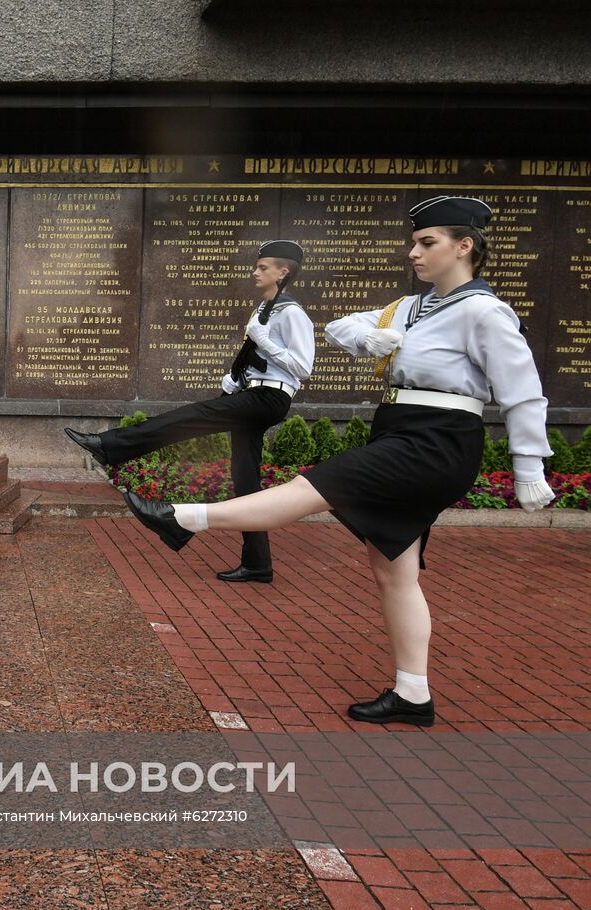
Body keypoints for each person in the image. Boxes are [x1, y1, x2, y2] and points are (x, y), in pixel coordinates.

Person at [125, 196, 555, 727]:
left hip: (438, 439)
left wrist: (529, 467)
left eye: (427, 243)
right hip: (398, 427)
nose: (414, 252)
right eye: (415, 243)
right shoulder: (411, 307)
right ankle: (413, 695)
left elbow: (523, 392)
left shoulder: (484, 312)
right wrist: (370, 336)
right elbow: (341, 327)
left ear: (464, 246)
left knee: (317, 485)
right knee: (392, 571)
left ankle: (181, 519)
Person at [66, 241, 314, 583]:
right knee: (245, 480)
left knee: (192, 417)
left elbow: (302, 367)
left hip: (270, 399)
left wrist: (264, 341)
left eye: (263, 267)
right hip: (253, 393)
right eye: (256, 266)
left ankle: (111, 446)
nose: (255, 272)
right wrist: (237, 378)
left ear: (283, 272)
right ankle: (258, 563)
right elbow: (259, 359)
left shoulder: (291, 313)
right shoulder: (264, 309)